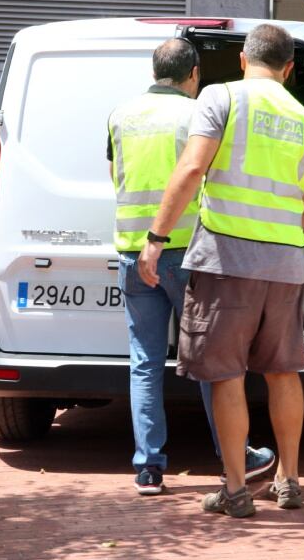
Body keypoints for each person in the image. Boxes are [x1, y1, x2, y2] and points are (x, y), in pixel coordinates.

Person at [137, 24, 304, 518]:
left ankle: (237, 490)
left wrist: (155, 239)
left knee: (226, 373)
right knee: (284, 372)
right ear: (288, 68)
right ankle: (289, 479)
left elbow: (193, 168)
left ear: (243, 60)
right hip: (285, 264)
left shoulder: (222, 98)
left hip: (227, 260)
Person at [107, 38, 276, 495]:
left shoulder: (121, 115)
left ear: (154, 70)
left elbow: (115, 174)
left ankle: (147, 467)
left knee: (144, 362)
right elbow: (209, 175)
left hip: (132, 250)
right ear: (194, 74)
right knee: (209, 358)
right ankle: (233, 455)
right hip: (188, 251)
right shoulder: (196, 114)